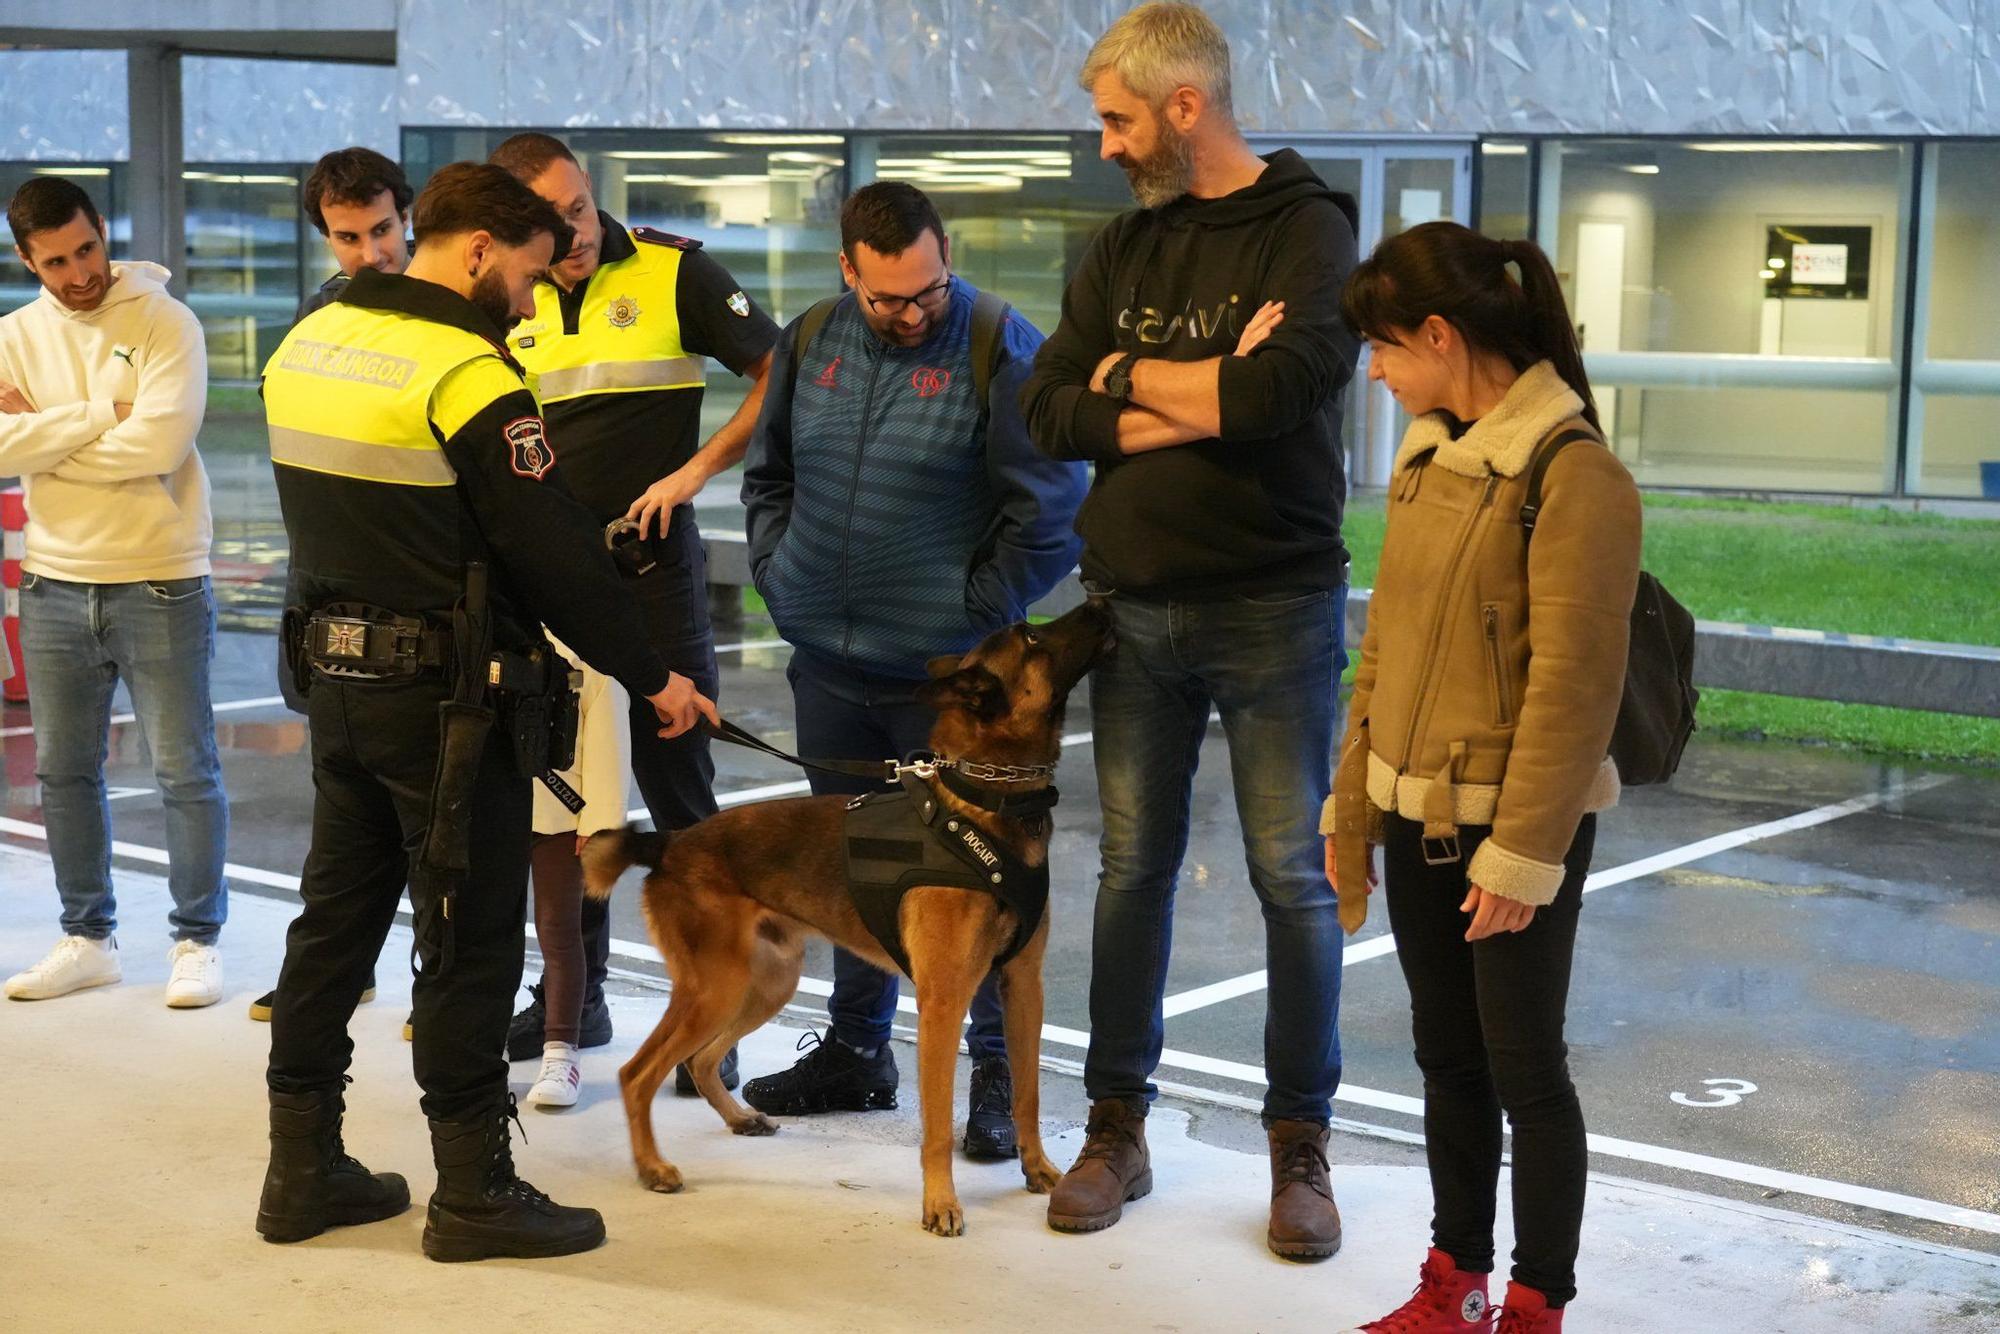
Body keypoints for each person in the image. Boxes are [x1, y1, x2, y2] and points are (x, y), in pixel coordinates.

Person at [255, 161, 718, 1262]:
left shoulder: (305, 342)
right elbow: (550, 547)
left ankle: (300, 1168)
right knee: (466, 939)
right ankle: (472, 1187)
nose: (525, 297)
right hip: (447, 704)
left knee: (334, 921)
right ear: (474, 251)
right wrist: (653, 676)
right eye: (519, 272)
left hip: (336, 682)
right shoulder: (466, 371)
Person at [1018, 2, 1359, 1258]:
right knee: (1127, 872)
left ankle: (1298, 1145)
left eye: (1113, 118)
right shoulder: (1122, 247)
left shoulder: (1306, 227)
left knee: (1290, 877)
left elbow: (1280, 392)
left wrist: (1126, 379)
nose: (1102, 144)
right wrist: (1177, 395)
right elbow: (1045, 406)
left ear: (1181, 107)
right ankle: (1116, 1129)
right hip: (1130, 607)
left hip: (1271, 602)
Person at [1331, 223, 1640, 1333]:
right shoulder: (1425, 457)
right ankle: (1452, 1275)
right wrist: (1350, 799)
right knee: (1443, 1056)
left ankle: (1533, 1301)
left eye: (1380, 347)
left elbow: (1574, 684)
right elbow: (1381, 650)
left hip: (1510, 828)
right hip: (1414, 814)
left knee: (1524, 1070)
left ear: (1436, 334)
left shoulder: (1572, 472)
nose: (1372, 370)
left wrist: (1522, 853)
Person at [740, 181, 1085, 1156]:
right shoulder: (810, 338)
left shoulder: (995, 342)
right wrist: (779, 574)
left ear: (946, 258)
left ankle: (989, 1074)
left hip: (944, 687)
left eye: (927, 290)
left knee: (966, 882)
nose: (911, 312)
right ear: (847, 269)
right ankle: (857, 1050)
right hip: (826, 665)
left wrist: (973, 613)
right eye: (888, 297)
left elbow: (1050, 509)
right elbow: (767, 474)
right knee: (858, 870)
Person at [491, 133, 779, 1081]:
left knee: (683, 805)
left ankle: (717, 1016)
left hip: (654, 580)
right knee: (567, 806)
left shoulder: (671, 273)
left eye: (579, 207)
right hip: (550, 592)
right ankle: (579, 1001)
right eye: (549, 219)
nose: (571, 231)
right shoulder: (506, 292)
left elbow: (777, 377)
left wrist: (696, 472)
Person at [0, 177, 229, 1009]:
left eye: (87, 249)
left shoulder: (166, 321)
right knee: (63, 773)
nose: (78, 272)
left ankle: (196, 940)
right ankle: (87, 938)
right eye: (56, 261)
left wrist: (43, 434)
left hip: (162, 578)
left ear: (104, 231)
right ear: (28, 260)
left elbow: (161, 442)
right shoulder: (15, 334)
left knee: (185, 770)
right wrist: (103, 413)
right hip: (56, 582)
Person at [249, 146, 421, 1018]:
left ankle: (439, 990)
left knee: (441, 824)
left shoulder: (452, 314)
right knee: (342, 818)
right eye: (348, 237)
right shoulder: (320, 315)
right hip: (332, 591)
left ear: (409, 217)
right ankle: (336, 974)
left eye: (383, 229)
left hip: (426, 601)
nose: (370, 253)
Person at [522, 638, 630, 1110]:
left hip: (563, 816)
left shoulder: (589, 646)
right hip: (495, 805)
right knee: (490, 927)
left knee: (559, 931)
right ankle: (476, 1046)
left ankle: (561, 1050)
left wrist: (600, 824)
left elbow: (609, 731)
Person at [297, 147, 413, 319]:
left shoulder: (455, 293)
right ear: (326, 236)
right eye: (349, 238)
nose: (371, 257)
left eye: (382, 230)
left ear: (404, 218)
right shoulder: (315, 314)